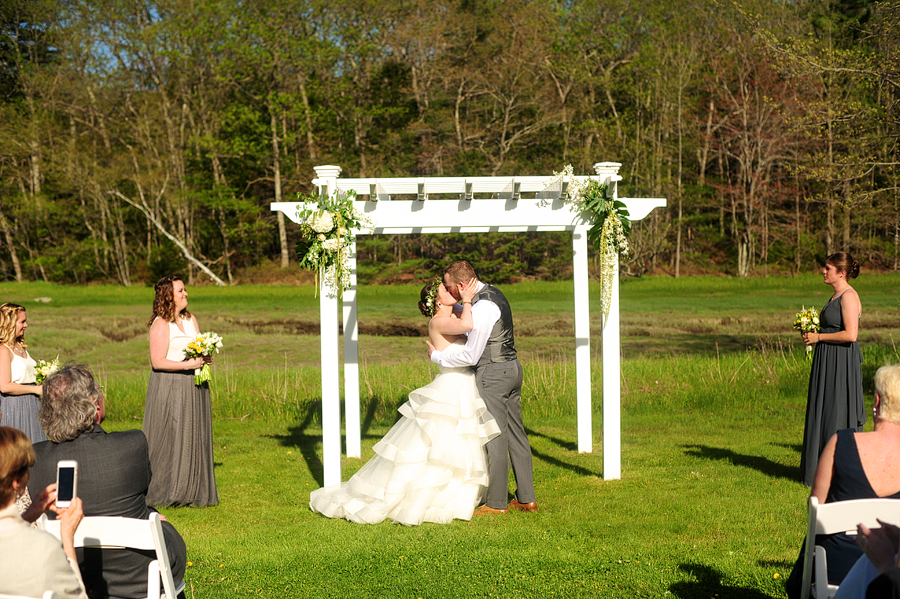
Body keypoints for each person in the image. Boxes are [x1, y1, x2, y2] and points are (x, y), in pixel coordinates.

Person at [309, 277, 500, 525]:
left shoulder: (453, 317)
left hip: (466, 385)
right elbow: (468, 325)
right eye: (444, 288)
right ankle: (424, 496)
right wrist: (467, 297)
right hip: (451, 387)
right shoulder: (439, 321)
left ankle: (460, 494)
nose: (450, 289)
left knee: (463, 442)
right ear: (436, 300)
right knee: (440, 444)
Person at [27, 364, 188, 599]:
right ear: (95, 403)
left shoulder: (34, 458)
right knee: (159, 522)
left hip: (71, 575)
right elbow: (144, 487)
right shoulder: (132, 444)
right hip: (140, 578)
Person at [428, 261, 537, 515]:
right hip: (512, 368)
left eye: (448, 286)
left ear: (462, 285)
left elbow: (471, 356)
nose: (447, 290)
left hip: (493, 374)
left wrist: (439, 358)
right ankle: (526, 498)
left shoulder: (483, 306)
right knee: (516, 434)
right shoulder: (494, 294)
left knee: (495, 437)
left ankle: (496, 503)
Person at [785, 363, 900, 599]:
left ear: (877, 402)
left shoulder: (841, 443)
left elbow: (814, 508)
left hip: (834, 568)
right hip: (894, 568)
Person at [142, 275, 218, 507]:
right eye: (180, 291)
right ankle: (169, 489)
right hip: (170, 385)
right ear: (168, 296)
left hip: (194, 385)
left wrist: (203, 357)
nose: (186, 294)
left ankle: (192, 488)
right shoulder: (161, 324)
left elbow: (196, 346)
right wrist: (188, 364)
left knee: (192, 432)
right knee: (172, 435)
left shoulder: (190, 319)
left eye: (185, 290)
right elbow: (158, 361)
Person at [800, 252, 864, 486]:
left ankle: (837, 473)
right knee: (825, 409)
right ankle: (818, 472)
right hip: (828, 359)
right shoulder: (835, 295)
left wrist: (818, 337)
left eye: (828, 268)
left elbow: (851, 334)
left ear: (841, 272)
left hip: (841, 362)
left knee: (836, 410)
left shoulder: (848, 296)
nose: (823, 271)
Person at [0, 425, 87, 599]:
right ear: (16, 482)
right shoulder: (45, 548)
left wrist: (26, 517)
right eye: (27, 468)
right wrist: (67, 538)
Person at [0, 302, 47, 443]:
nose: (26, 325)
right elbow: (5, 386)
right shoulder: (3, 350)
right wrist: (35, 389)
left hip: (32, 405)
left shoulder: (20, 347)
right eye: (22, 322)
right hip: (15, 406)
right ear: (10, 323)